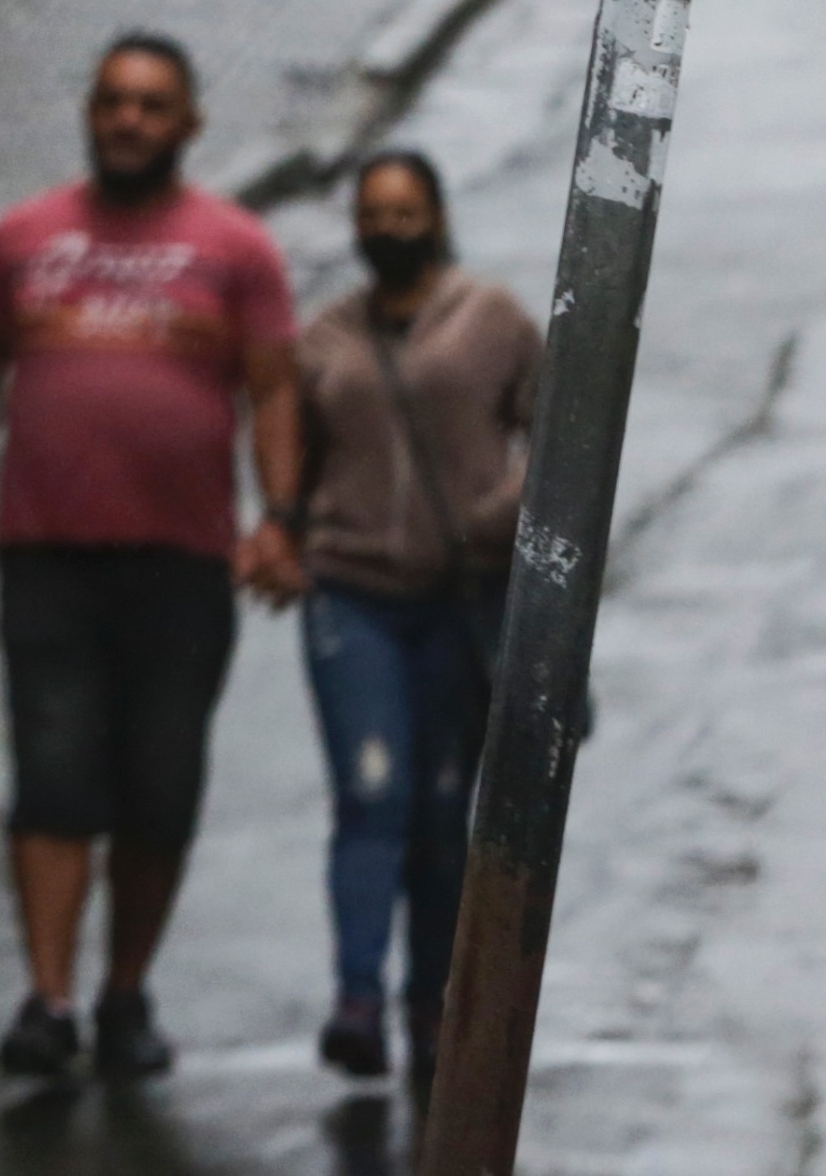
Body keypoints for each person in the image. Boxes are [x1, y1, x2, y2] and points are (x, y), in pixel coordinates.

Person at [0, 35, 303, 1084]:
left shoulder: (236, 250)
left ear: (190, 125)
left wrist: (280, 518)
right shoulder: (25, 240)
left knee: (159, 789)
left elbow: (276, 389)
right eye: (113, 102)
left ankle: (126, 995)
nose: (129, 121)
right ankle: (49, 1000)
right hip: (48, 558)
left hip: (182, 564)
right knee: (56, 777)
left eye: (153, 105)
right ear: (89, 115)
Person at [292, 149, 541, 1089]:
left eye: (406, 209)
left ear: (437, 214)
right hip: (353, 595)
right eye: (373, 210)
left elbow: (558, 429)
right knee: (371, 792)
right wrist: (289, 532)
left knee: (443, 814)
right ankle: (357, 997)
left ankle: (432, 1008)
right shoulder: (322, 339)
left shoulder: (493, 320)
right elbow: (288, 456)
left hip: (459, 601)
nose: (389, 225)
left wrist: (504, 509)